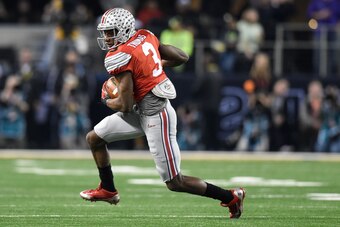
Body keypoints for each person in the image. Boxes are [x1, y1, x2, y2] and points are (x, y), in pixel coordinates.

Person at [79, 8, 245, 219]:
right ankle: (108, 190)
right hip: (140, 111)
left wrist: (106, 99)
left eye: (111, 32)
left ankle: (231, 196)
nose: (107, 37)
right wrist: (151, 65)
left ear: (124, 29)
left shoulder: (119, 56)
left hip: (156, 116)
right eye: (105, 32)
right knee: (94, 138)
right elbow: (181, 57)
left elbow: (125, 105)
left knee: (175, 182)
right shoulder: (145, 36)